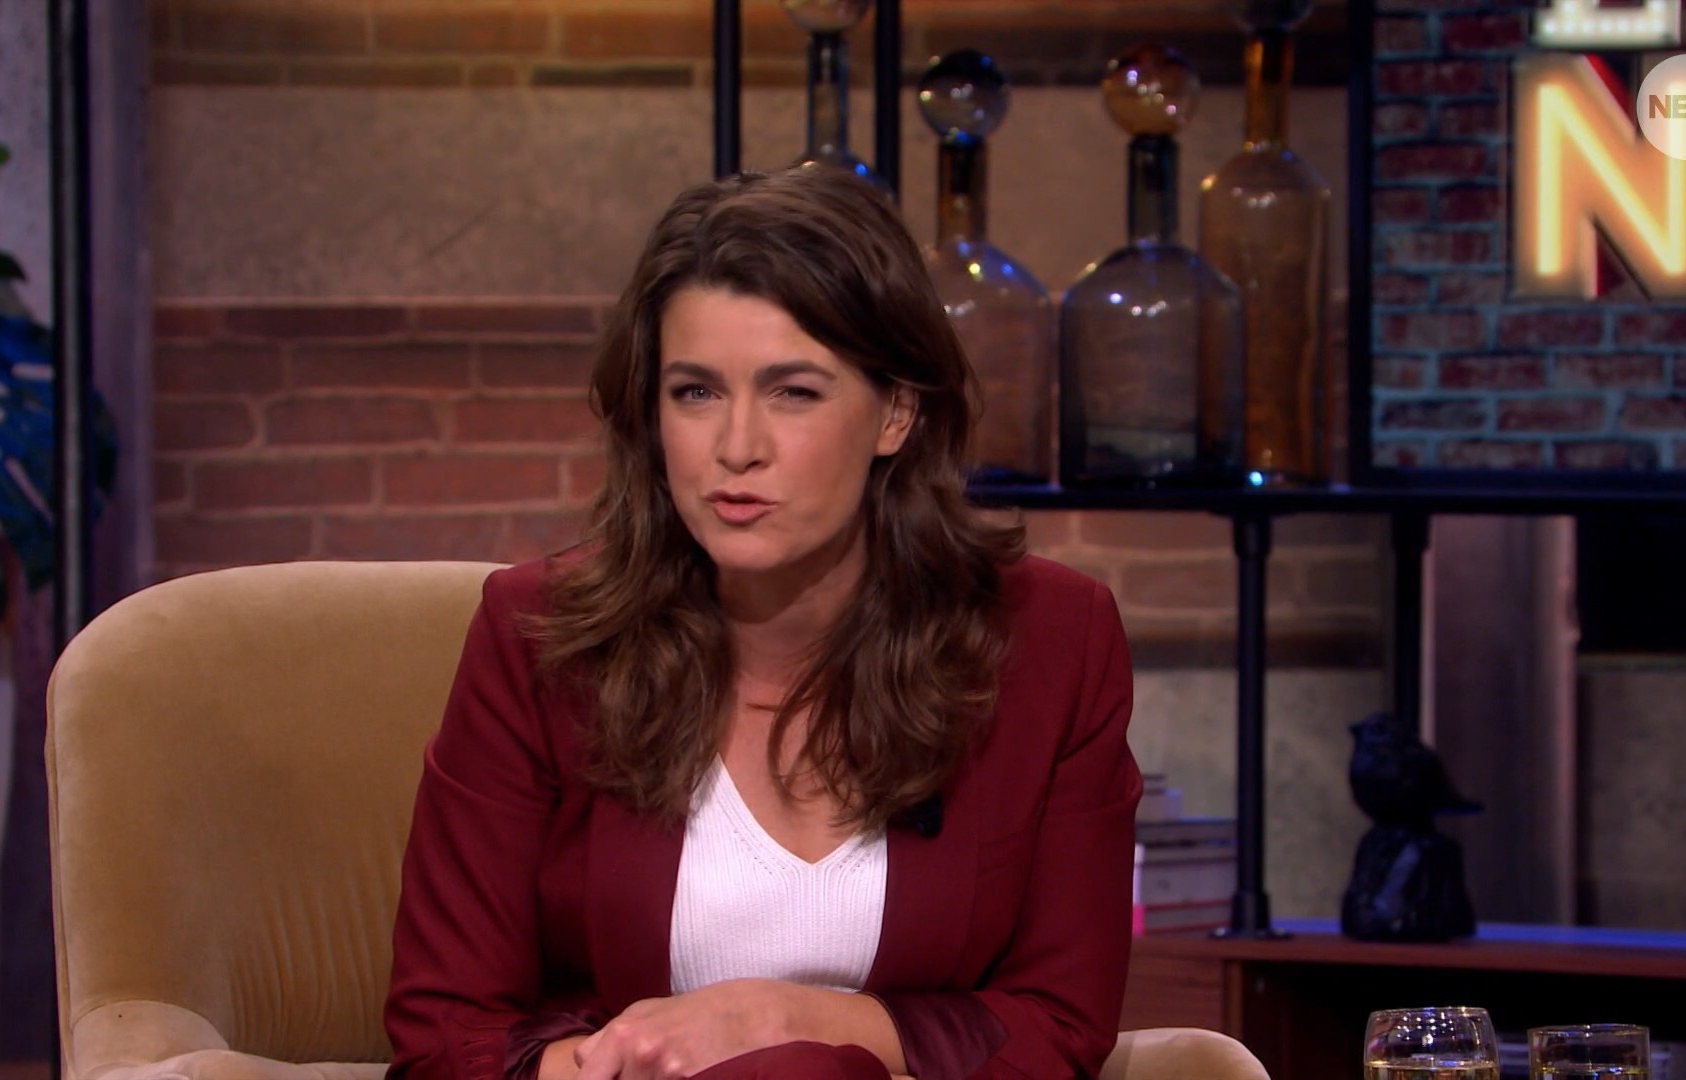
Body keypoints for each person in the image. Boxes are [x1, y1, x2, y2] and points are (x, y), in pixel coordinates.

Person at [383, 165, 1141, 1080]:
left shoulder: (1051, 642)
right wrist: (644, 1062)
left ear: (896, 412)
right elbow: (442, 1036)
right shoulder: (539, 638)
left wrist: (778, 1018)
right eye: (695, 392)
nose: (737, 447)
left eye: (794, 392)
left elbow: (1061, 1023)